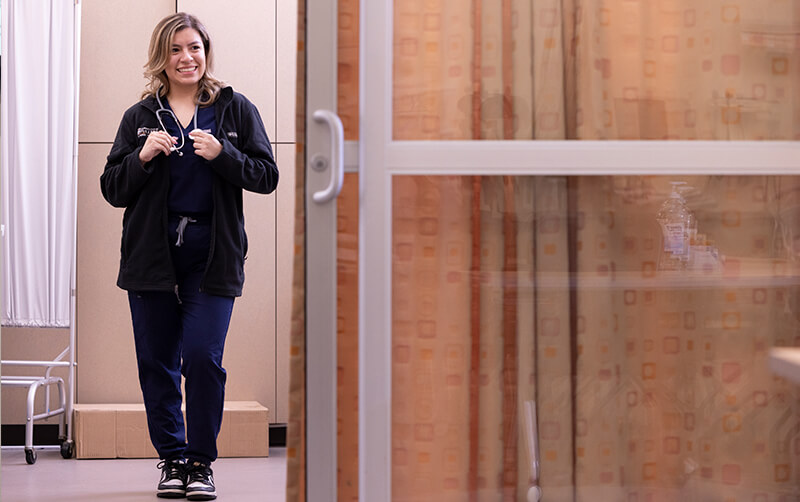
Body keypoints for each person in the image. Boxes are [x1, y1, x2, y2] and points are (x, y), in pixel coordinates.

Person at [100, 12, 278, 501]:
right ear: (162, 57)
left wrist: (223, 154)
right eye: (176, 49)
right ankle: (172, 459)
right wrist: (140, 159)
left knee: (201, 356)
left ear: (206, 52)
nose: (187, 58)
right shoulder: (140, 118)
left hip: (212, 255)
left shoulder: (233, 109)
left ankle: (200, 462)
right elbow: (111, 188)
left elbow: (267, 175)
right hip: (151, 258)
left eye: (195, 48)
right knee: (157, 362)